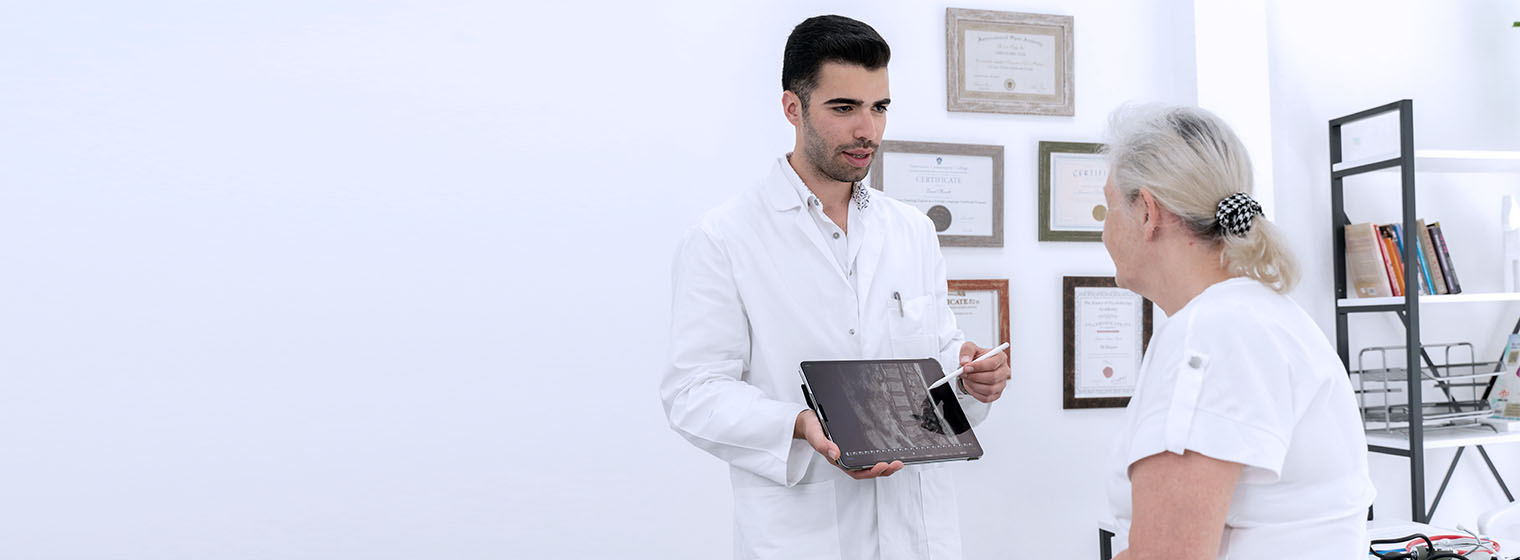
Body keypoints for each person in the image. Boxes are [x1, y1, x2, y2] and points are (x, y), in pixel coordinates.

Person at [659, 14, 1011, 560]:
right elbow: (693, 393)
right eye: (844, 108)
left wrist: (969, 377)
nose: (867, 129)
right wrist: (798, 425)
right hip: (803, 536)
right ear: (792, 108)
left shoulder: (912, 231)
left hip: (917, 533)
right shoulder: (724, 238)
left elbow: (935, 360)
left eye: (880, 107)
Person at [1097, 104, 1376, 559]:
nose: (1104, 231)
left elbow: (1168, 556)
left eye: (1107, 209)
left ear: (1147, 212)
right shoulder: (1257, 314)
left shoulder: (1209, 333)